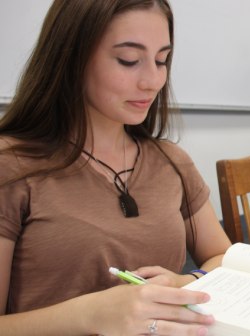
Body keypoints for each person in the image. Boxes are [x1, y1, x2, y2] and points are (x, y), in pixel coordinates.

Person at [0, 0, 232, 335]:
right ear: (71, 58)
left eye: (161, 60)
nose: (153, 81)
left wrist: (187, 279)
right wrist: (89, 314)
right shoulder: (13, 165)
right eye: (129, 60)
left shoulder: (171, 161)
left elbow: (222, 257)